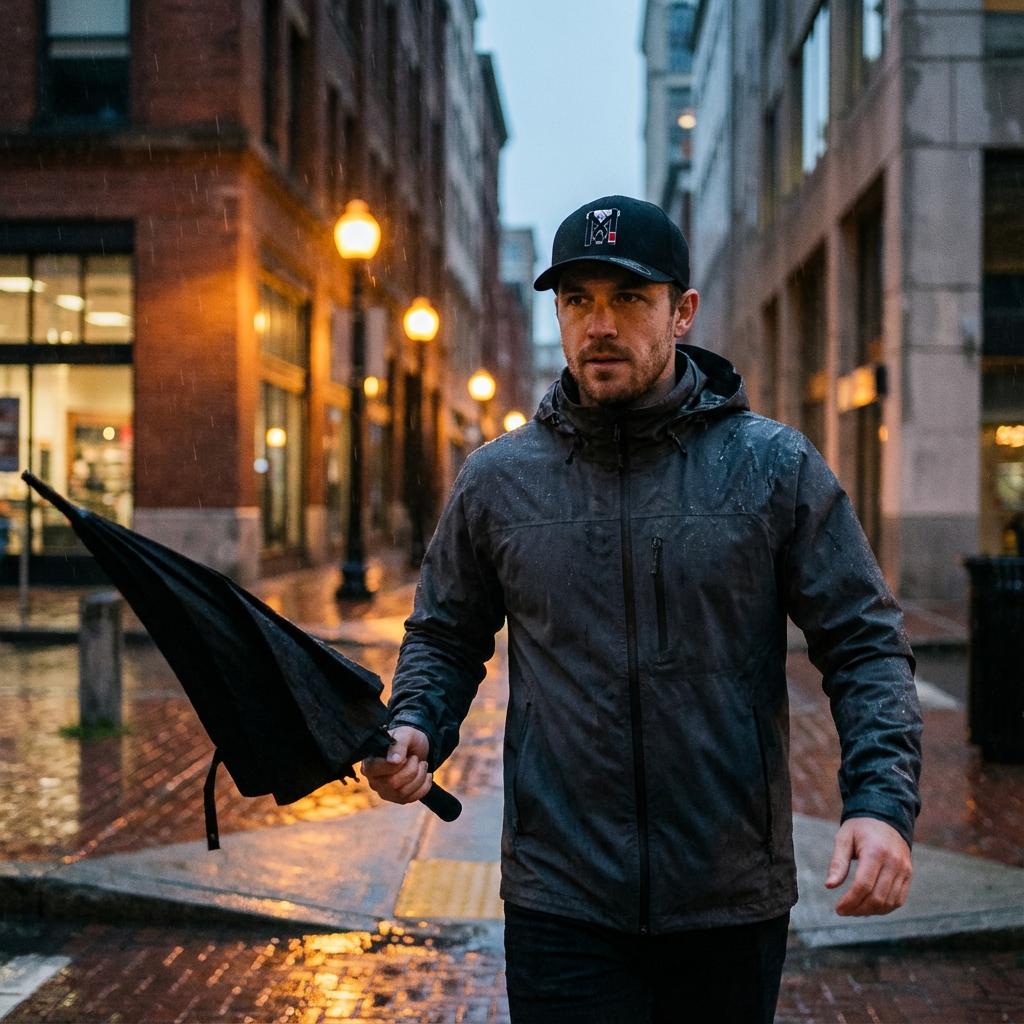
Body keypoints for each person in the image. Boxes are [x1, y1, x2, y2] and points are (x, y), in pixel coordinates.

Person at [363, 195, 922, 1023]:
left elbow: (864, 644)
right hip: (561, 899)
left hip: (728, 897)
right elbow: (445, 634)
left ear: (682, 312)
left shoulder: (772, 468)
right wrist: (416, 721)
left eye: (629, 298)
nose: (600, 325)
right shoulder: (498, 480)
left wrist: (881, 803)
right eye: (578, 300)